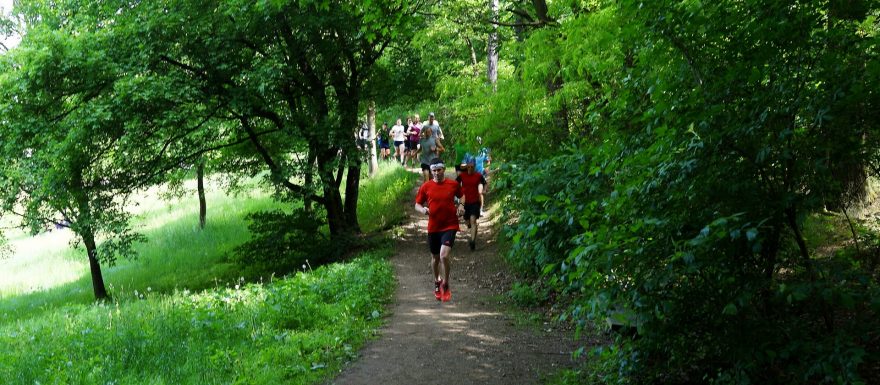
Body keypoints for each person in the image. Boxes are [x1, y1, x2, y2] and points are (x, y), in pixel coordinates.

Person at [415, 157, 464, 302]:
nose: (436, 173)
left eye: (439, 170)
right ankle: (437, 281)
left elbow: (462, 196)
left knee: (444, 255)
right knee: (435, 258)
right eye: (434, 170)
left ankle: (446, 283)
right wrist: (423, 210)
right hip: (434, 227)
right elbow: (417, 204)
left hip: (450, 225)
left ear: (444, 169)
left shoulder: (453, 184)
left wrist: (461, 205)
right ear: (431, 171)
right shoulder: (426, 186)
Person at [456, 157, 487, 250]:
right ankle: (470, 226)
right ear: (466, 167)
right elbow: (454, 184)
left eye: (471, 167)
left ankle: (473, 242)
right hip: (465, 202)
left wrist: (484, 190)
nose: (470, 169)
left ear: (474, 166)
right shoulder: (462, 176)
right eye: (468, 167)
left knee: (473, 220)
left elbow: (484, 183)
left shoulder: (478, 175)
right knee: (468, 222)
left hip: (474, 202)